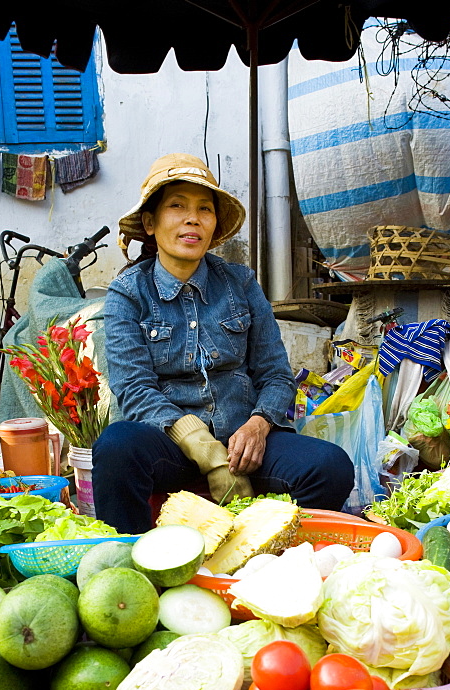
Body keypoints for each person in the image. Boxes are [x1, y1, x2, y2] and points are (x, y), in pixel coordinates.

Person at [92, 153, 354, 533]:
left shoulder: (241, 284)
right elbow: (134, 389)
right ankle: (135, 564)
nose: (192, 218)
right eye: (176, 206)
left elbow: (276, 375)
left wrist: (259, 425)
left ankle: (272, 555)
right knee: (117, 446)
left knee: (329, 466)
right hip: (172, 445)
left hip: (244, 441)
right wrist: (208, 453)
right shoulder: (128, 293)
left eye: (204, 209)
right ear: (150, 222)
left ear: (214, 224)